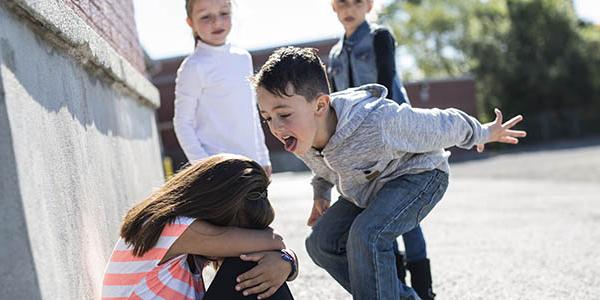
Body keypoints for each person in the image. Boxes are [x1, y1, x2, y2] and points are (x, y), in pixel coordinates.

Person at [252, 47, 526, 300]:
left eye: (283, 114)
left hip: (419, 176)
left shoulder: (378, 122)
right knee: (321, 243)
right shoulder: (302, 134)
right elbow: (323, 167)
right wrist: (320, 193)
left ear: (320, 106)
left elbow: (443, 123)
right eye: (267, 118)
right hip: (367, 188)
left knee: (366, 234)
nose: (275, 127)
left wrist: (484, 132)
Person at [327, 1, 428, 297]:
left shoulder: (379, 37)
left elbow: (386, 82)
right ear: (333, 7)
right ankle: (395, 288)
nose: (349, 7)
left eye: (356, 1)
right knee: (378, 214)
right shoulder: (333, 54)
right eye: (341, 2)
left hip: (395, 137)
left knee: (406, 215)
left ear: (368, 4)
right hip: (358, 147)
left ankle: (424, 290)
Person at [101, 154, 298, 300]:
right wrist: (286, 259)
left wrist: (286, 261)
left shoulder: (181, 234)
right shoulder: (175, 227)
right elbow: (275, 241)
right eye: (239, 230)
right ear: (219, 210)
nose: (239, 236)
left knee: (257, 263)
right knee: (248, 261)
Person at [173, 0, 271, 176]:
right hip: (219, 171)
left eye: (224, 13)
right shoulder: (193, 67)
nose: (217, 22)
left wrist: (263, 157)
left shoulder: (243, 58)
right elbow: (182, 123)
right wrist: (204, 166)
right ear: (190, 22)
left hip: (252, 164)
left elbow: (251, 112)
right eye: (205, 16)